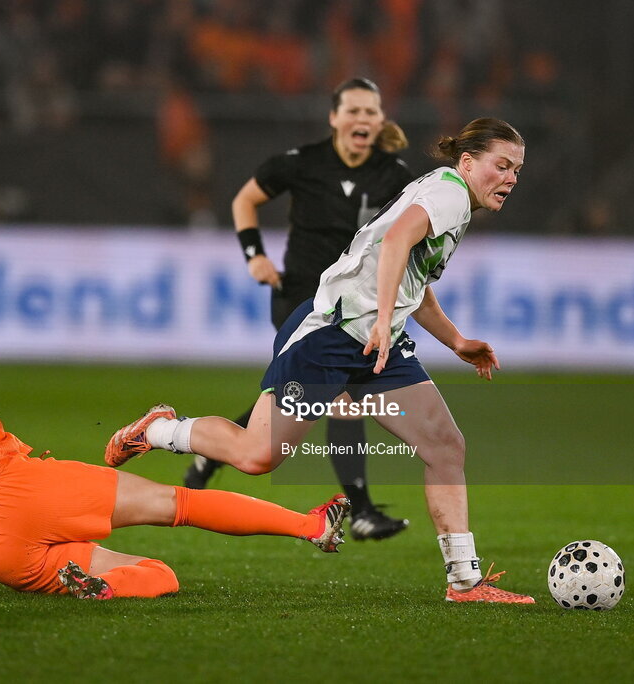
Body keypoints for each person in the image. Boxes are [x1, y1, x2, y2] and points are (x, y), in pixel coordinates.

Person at [108, 118, 536, 604]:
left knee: (444, 444)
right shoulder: (451, 193)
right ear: (467, 161)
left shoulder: (450, 198)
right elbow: (396, 241)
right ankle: (159, 430)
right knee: (257, 456)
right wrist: (381, 320)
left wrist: (455, 340)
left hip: (376, 342)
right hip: (331, 335)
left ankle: (464, 582)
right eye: (502, 166)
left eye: (516, 171)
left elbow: (411, 278)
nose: (510, 179)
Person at [0, 220, 349, 600]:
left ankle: (102, 587)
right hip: (20, 492)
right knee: (180, 504)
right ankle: (309, 526)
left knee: (159, 576)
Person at [184, 77, 414, 542]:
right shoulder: (302, 162)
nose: (362, 119)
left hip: (353, 306)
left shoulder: (395, 175)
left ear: (380, 120)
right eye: (353, 110)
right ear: (334, 117)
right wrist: (255, 256)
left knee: (296, 398)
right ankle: (363, 511)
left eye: (371, 111)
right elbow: (245, 200)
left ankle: (213, 446)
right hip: (302, 301)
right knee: (341, 395)